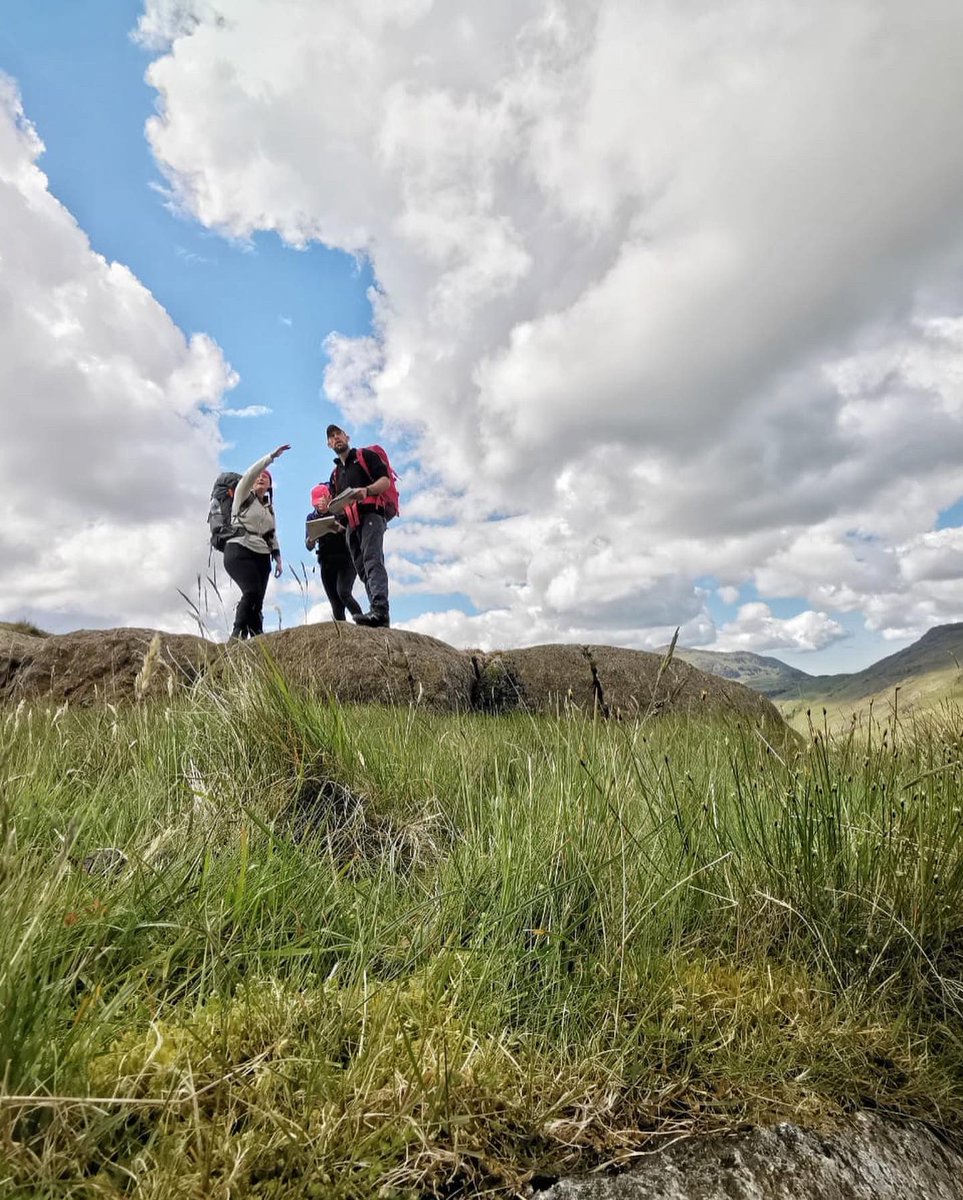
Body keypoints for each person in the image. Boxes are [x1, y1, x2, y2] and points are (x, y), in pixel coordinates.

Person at [326, 424, 391, 627]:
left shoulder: (365, 456)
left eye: (339, 434)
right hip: (351, 526)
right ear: (328, 444)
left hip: (371, 515)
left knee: (373, 560)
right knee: (363, 569)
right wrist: (336, 523)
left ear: (347, 437)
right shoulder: (336, 474)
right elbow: (337, 505)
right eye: (332, 437)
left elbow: (385, 481)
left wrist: (367, 490)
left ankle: (380, 611)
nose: (336, 438)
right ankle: (376, 613)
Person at [223, 444, 290, 639]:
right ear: (252, 483)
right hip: (239, 549)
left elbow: (271, 534)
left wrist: (277, 558)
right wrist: (271, 457)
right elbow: (250, 474)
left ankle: (255, 634)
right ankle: (236, 635)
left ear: (270, 485)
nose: (261, 477)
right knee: (251, 591)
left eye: (266, 477)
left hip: (262, 556)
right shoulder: (242, 495)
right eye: (259, 476)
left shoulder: (269, 508)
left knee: (258, 600)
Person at [305, 483, 363, 622]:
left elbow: (353, 534)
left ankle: (363, 622)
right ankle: (342, 637)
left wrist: (339, 529)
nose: (319, 506)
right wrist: (312, 537)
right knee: (335, 603)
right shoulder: (311, 517)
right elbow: (308, 545)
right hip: (326, 562)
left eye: (322, 501)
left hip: (345, 559)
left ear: (329, 497)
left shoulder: (340, 511)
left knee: (343, 592)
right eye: (316, 503)